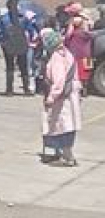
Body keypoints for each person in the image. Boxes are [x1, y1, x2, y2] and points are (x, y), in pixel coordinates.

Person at [41, 30, 81, 167]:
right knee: (68, 124)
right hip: (71, 94)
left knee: (62, 124)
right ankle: (63, 154)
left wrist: (51, 97)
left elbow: (59, 80)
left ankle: (67, 156)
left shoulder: (56, 57)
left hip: (63, 96)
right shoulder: (67, 53)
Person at [0, 0, 32, 96]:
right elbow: (29, 30)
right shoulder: (23, 17)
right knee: (23, 66)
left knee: (10, 67)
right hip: (21, 42)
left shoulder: (3, 18)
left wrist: (2, 42)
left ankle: (9, 89)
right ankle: (26, 89)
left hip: (8, 43)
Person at [64, 3, 93, 97]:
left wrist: (65, 41)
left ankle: (77, 89)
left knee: (75, 70)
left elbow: (68, 34)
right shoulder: (88, 21)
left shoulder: (73, 21)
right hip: (87, 50)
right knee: (86, 68)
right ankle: (86, 88)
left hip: (75, 49)